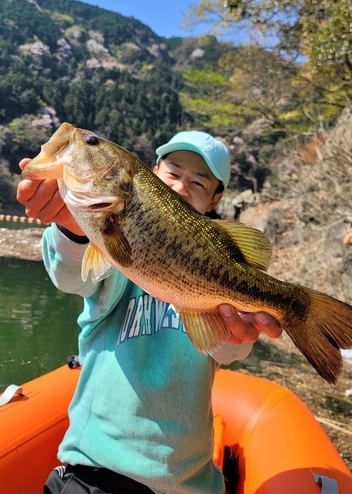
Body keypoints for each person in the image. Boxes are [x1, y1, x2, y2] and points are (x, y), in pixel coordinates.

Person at [17, 130, 281, 494]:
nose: (180, 186)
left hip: (190, 484)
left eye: (198, 182)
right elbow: (71, 274)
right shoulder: (110, 250)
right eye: (172, 173)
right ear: (153, 172)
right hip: (95, 470)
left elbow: (229, 349)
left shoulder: (218, 252)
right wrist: (75, 229)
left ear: (215, 198)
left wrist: (237, 333)